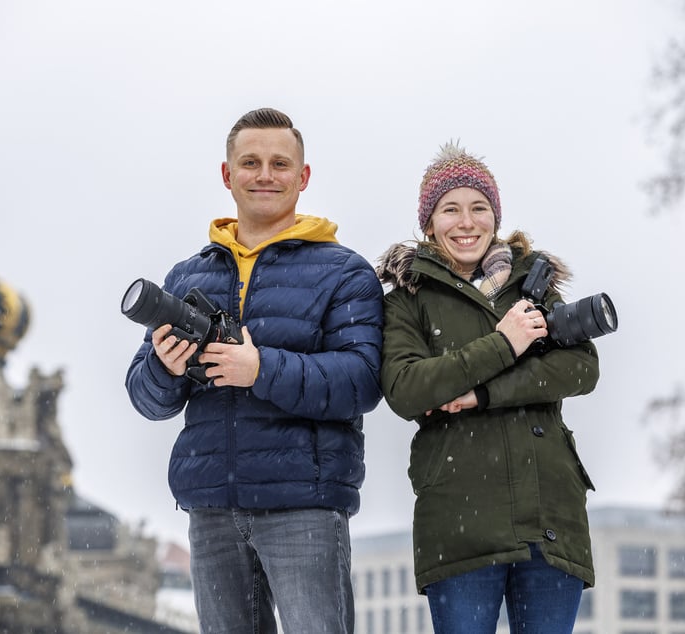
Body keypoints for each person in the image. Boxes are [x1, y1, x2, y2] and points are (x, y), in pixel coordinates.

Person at [124, 107, 384, 633]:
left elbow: (361, 380)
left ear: (302, 177)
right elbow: (144, 397)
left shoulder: (345, 272)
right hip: (212, 508)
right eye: (250, 162)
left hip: (304, 508)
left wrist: (259, 368)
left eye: (279, 164)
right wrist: (164, 368)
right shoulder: (187, 274)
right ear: (227, 175)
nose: (265, 175)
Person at [376, 142, 600, 634]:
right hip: (459, 523)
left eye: (479, 208)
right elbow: (407, 388)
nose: (466, 222)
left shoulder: (533, 286)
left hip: (550, 519)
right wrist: (504, 343)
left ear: (495, 218)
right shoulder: (407, 298)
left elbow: (582, 367)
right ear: (428, 223)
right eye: (450, 209)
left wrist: (482, 394)